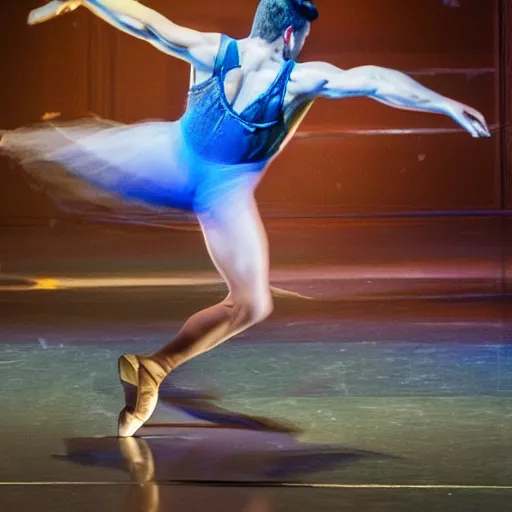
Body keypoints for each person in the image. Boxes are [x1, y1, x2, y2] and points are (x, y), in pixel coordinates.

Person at [1, 0, 490, 437]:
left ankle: (150, 371)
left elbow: (146, 24)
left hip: (168, 162)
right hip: (219, 192)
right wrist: (443, 103)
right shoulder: (299, 78)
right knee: (252, 304)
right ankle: (158, 366)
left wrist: (88, 0)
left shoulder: (213, 50)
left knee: (58, 150)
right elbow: (376, 81)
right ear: (293, 36)